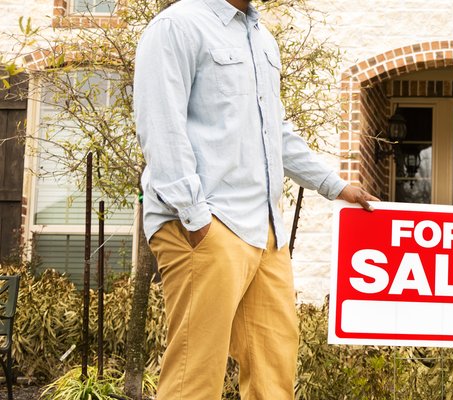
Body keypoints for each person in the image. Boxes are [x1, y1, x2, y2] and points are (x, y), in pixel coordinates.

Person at [133, 0, 377, 398]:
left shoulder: (262, 38)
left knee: (274, 370)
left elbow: (275, 132)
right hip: (205, 223)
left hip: (265, 232)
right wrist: (195, 218)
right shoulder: (177, 25)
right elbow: (161, 127)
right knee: (194, 376)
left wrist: (335, 185)